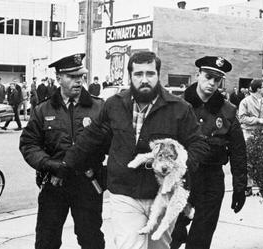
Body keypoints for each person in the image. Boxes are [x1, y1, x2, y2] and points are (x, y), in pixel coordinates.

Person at [62, 51, 209, 249]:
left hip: (163, 194)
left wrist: (180, 167)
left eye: (150, 74)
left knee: (160, 246)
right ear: (130, 76)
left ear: (158, 75)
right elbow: (91, 138)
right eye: (138, 74)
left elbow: (199, 144)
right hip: (124, 192)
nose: (144, 80)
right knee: (129, 245)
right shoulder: (114, 105)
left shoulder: (180, 108)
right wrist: (65, 164)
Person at [19, 53, 106, 249]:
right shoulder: (43, 110)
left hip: (87, 183)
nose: (78, 81)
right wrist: (49, 165)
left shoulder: (99, 107)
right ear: (58, 78)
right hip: (54, 184)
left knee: (91, 239)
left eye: (80, 76)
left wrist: (105, 173)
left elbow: (114, 143)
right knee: (46, 240)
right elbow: (29, 144)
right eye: (71, 77)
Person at [171, 56, 247, 249]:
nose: (212, 83)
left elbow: (238, 151)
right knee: (171, 234)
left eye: (217, 79)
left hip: (211, 179)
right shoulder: (178, 105)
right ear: (198, 75)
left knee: (201, 238)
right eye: (208, 77)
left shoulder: (228, 111)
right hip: (181, 177)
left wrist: (239, 186)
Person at [238, 78, 263, 196]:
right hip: (249, 133)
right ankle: (248, 186)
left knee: (262, 159)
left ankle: (261, 185)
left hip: (262, 133)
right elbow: (242, 118)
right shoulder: (245, 101)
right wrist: (258, 120)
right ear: (258, 88)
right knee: (248, 160)